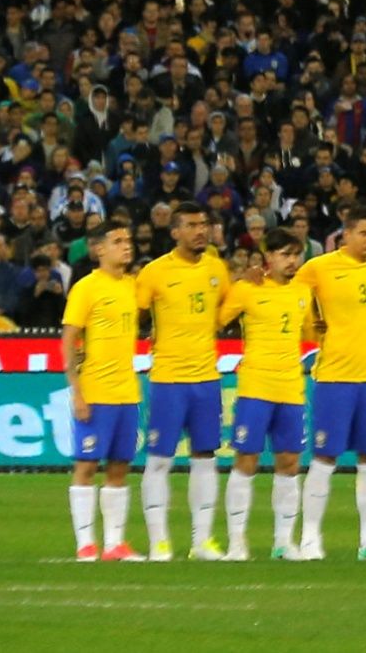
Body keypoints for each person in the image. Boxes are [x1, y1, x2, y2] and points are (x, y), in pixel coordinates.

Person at [299, 204, 366, 560]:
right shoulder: (320, 267)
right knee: (325, 457)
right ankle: (310, 538)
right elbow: (290, 292)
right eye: (364, 234)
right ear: (344, 235)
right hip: (334, 377)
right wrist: (310, 324)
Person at [134, 200, 232, 561]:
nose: (200, 230)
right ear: (174, 232)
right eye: (191, 225)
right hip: (169, 380)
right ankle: (160, 542)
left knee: (205, 458)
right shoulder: (156, 272)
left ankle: (201, 541)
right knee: (159, 460)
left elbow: (227, 311)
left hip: (207, 379)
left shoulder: (217, 269)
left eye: (204, 223)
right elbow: (135, 313)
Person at [218, 235, 316, 561]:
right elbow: (216, 320)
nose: (291, 260)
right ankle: (236, 543)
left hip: (291, 389)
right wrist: (236, 278)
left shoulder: (303, 292)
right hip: (255, 388)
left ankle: (283, 543)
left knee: (289, 464)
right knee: (246, 461)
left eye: (295, 254)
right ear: (267, 257)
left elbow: (310, 335)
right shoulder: (247, 289)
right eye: (285, 254)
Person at [64, 220, 144, 563]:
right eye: (118, 241)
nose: (127, 246)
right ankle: (85, 544)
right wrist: (76, 392)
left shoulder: (132, 286)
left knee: (119, 467)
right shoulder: (86, 288)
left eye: (128, 240)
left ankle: (114, 544)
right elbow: (69, 339)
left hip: (128, 391)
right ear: (99, 249)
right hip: (96, 391)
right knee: (85, 466)